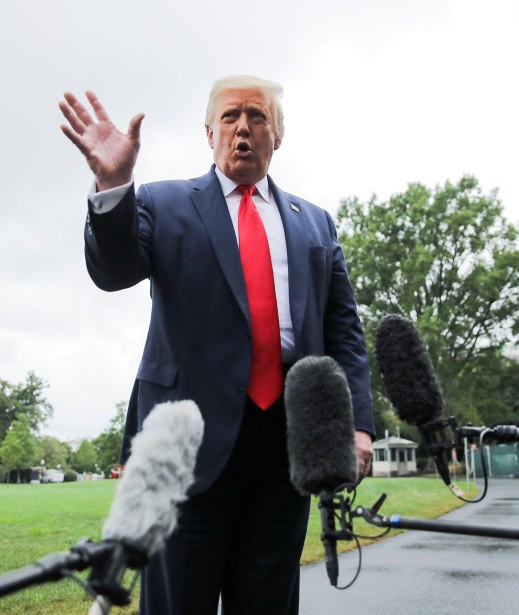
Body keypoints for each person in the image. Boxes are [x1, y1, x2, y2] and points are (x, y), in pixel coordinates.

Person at [59, 75, 375, 615]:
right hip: (186, 451)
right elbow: (111, 272)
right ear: (209, 133)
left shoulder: (315, 223)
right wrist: (113, 187)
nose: (243, 128)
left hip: (286, 451)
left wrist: (359, 425)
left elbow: (344, 330)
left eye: (257, 117)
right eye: (230, 117)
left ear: (279, 135)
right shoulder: (162, 203)